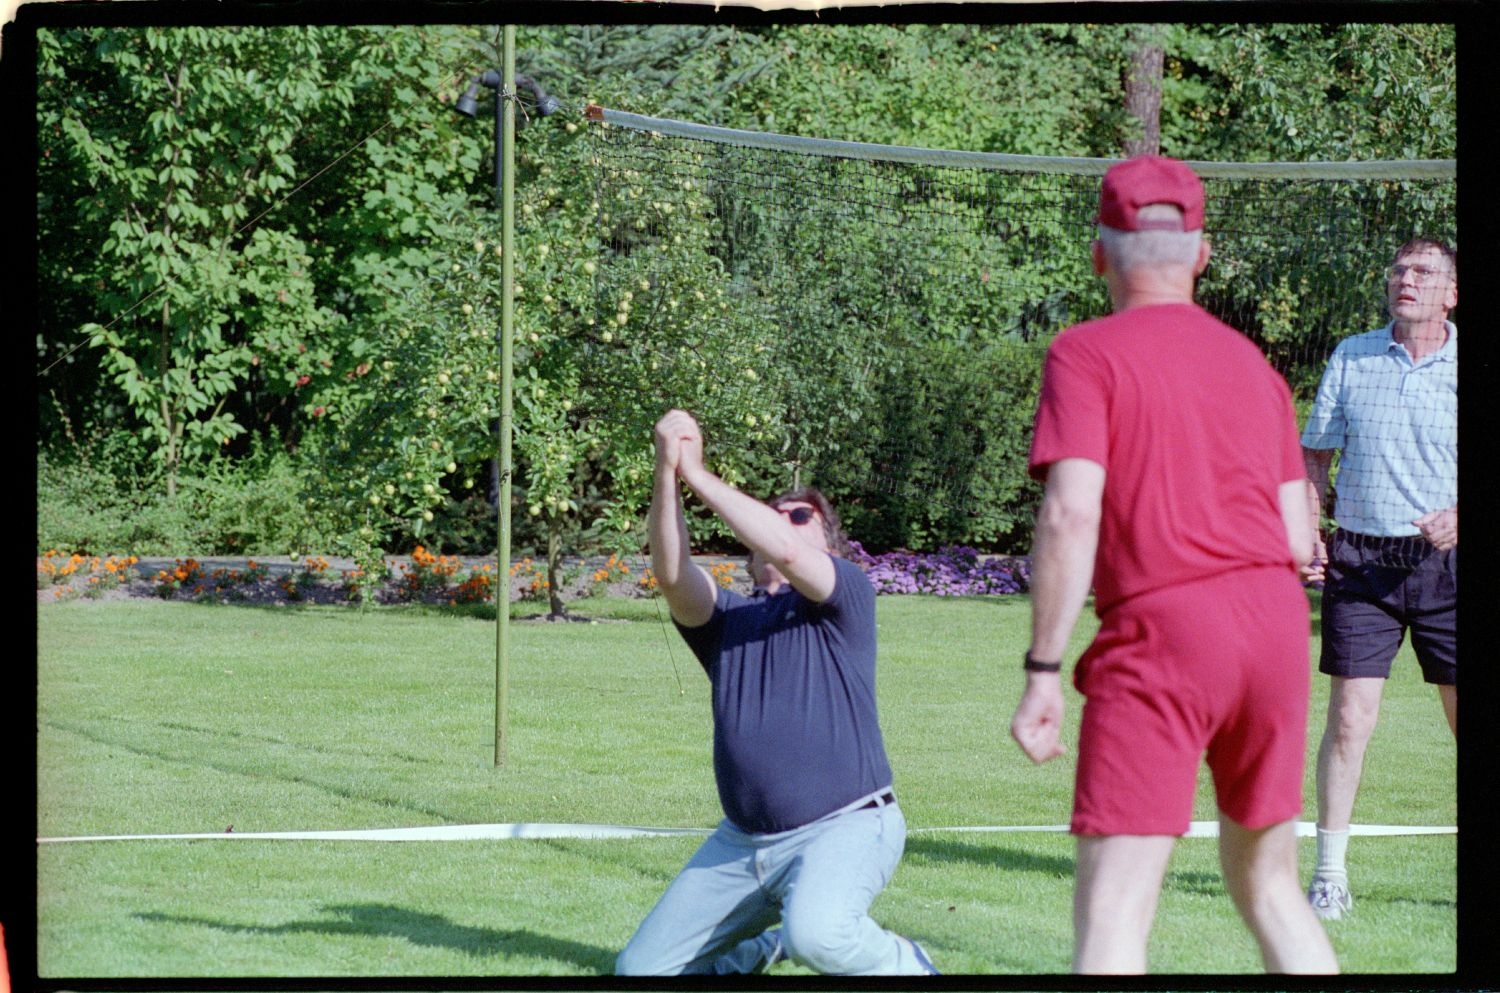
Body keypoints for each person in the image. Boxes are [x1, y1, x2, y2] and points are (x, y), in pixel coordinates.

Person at [1009, 155, 1338, 974]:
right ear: (1202, 253)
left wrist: (1044, 668)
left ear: (1098, 255)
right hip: (1273, 630)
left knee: (1115, 913)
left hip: (1164, 629)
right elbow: (1299, 537)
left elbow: (1072, 509)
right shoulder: (1258, 370)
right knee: (1269, 887)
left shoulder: (1084, 355)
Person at [614, 408, 939, 977]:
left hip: (846, 825)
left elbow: (790, 554)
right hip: (742, 846)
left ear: (828, 544)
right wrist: (667, 473)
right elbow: (671, 573)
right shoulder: (727, 620)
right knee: (642, 972)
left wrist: (697, 471)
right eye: (771, 515)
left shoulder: (845, 598)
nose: (780, 521)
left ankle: (907, 964)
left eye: (797, 514)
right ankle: (755, 953)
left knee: (818, 937)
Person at [1300, 238, 1457, 921]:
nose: (1406, 279)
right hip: (1362, 562)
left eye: (1424, 272)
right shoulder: (1352, 354)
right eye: (1398, 268)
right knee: (1348, 722)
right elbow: (1315, 455)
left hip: (1448, 568)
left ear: (1451, 293)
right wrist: (1307, 529)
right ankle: (1329, 876)